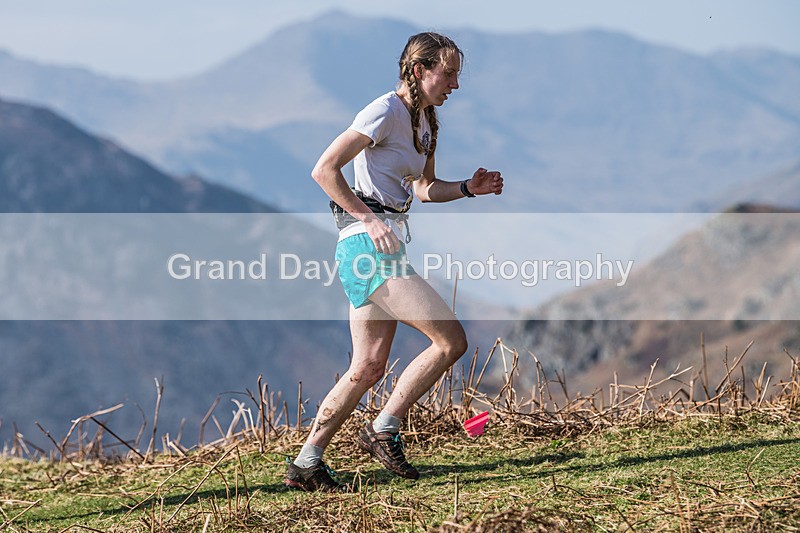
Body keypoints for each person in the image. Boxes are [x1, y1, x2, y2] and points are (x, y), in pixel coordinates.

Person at [284, 32, 503, 492]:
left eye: (458, 74)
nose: (456, 85)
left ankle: (307, 461)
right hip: (367, 246)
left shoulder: (427, 123)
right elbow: (324, 170)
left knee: (366, 368)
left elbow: (422, 189)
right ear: (420, 70)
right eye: (450, 73)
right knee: (450, 341)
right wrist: (369, 219)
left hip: (382, 244)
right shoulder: (382, 111)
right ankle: (383, 429)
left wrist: (467, 187)